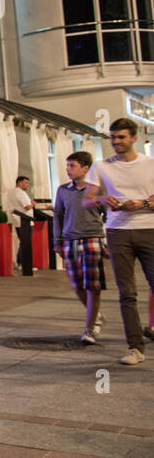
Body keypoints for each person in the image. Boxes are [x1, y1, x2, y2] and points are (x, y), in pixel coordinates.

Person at [82, 118, 154, 365]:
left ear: (134, 137)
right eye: (113, 137)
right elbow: (86, 200)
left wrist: (142, 203)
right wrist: (102, 200)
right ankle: (135, 347)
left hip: (149, 229)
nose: (116, 142)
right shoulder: (101, 166)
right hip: (117, 232)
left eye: (121, 137)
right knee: (127, 292)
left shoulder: (150, 164)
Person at [54, 151, 107, 344]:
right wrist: (57, 241)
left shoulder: (98, 190)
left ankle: (90, 328)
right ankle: (96, 315)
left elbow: (108, 215)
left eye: (72, 165)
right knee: (76, 284)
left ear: (86, 168)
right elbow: (58, 216)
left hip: (93, 239)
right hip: (69, 240)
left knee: (93, 284)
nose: (68, 169)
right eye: (67, 165)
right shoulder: (63, 190)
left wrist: (107, 241)